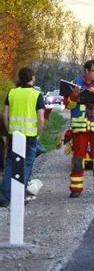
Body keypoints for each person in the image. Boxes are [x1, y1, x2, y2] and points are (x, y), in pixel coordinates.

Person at [0, 67, 45, 207]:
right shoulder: (36, 94)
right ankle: (18, 196)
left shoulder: (12, 93)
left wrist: (8, 130)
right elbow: (41, 119)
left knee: (10, 165)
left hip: (14, 135)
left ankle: (4, 197)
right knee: (26, 165)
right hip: (30, 137)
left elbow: (4, 115)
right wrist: (39, 133)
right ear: (32, 77)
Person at [64, 60, 94, 198]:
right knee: (78, 160)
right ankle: (75, 189)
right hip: (80, 128)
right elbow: (68, 105)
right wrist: (74, 95)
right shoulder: (74, 83)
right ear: (86, 71)